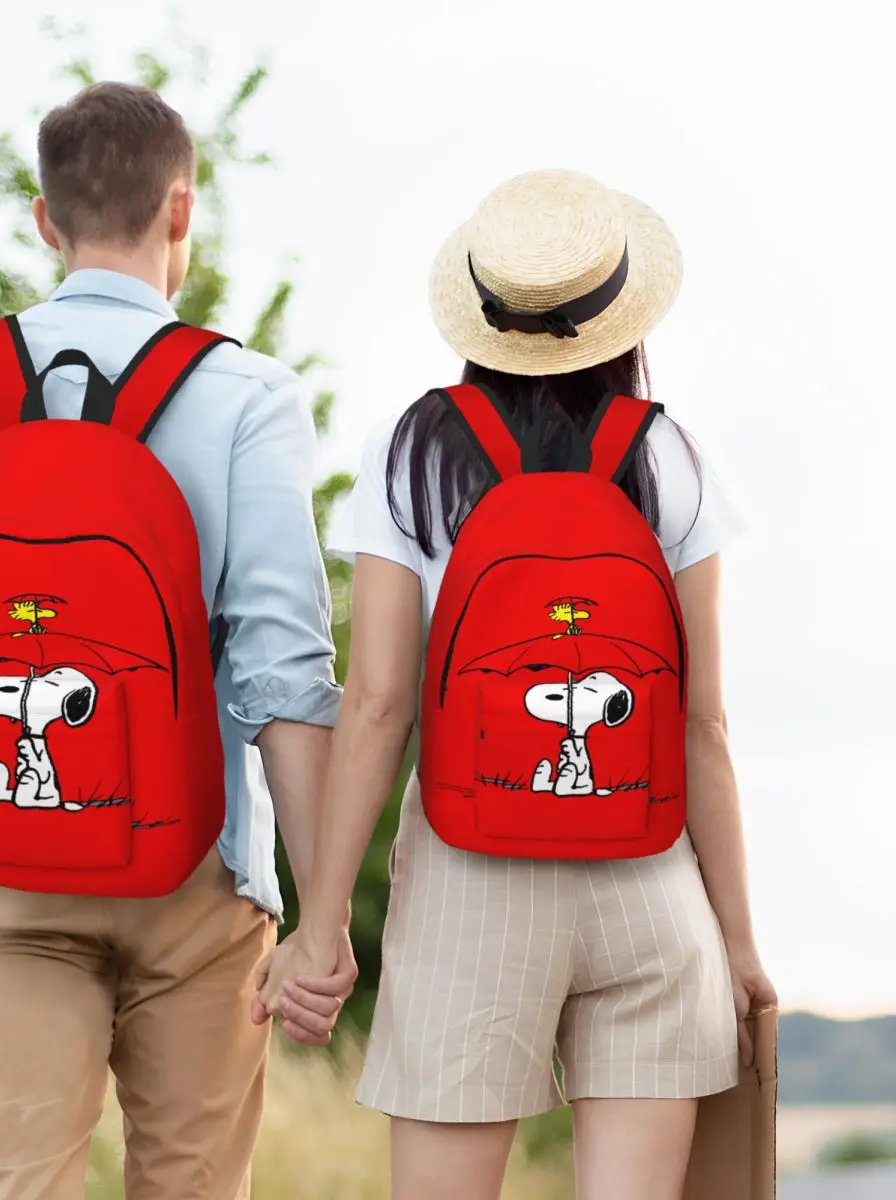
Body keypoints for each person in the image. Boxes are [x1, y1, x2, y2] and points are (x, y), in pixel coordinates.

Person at [0, 81, 357, 1200]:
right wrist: (324, 916)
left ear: (45, 219)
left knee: (21, 1186)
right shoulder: (246, 396)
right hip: (198, 868)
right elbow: (285, 678)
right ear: (182, 213)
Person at [257, 169, 777, 1200]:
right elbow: (702, 723)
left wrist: (320, 927)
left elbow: (377, 706)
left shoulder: (413, 453)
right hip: (648, 877)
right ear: (620, 316)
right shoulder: (669, 456)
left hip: (469, 877)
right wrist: (739, 943)